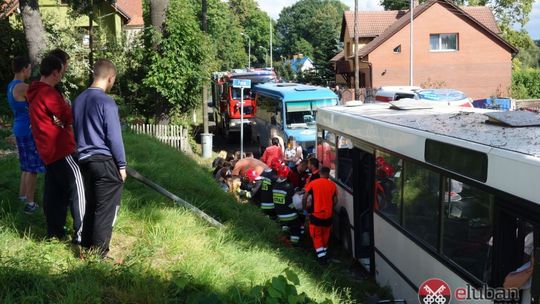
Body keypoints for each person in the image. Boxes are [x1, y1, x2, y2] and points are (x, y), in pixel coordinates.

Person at [27, 55, 85, 243]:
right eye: (62, 72)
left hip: (47, 151)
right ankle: (81, 233)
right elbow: (68, 116)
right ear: (55, 72)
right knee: (78, 186)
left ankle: (54, 232)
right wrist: (65, 107)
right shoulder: (49, 93)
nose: (62, 75)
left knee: (54, 192)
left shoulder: (34, 91)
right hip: (61, 149)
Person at [72, 59, 126, 257]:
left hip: (84, 160)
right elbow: (114, 136)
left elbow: (75, 130)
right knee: (106, 208)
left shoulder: (78, 100)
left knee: (92, 203)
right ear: (110, 78)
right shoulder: (106, 102)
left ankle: (86, 246)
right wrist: (121, 165)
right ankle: (99, 253)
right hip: (103, 160)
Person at [7, 56, 45, 214]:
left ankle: (23, 196)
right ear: (24, 69)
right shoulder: (23, 87)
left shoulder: (11, 85)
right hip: (28, 130)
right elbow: (41, 98)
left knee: (25, 166)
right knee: (32, 168)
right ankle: (30, 204)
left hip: (19, 127)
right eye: (29, 69)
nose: (30, 71)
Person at [303, 167, 338, 264]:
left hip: (316, 214)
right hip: (328, 215)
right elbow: (335, 201)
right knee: (325, 234)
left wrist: (305, 208)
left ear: (320, 174)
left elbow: (305, 197)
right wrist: (329, 207)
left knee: (316, 235)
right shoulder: (332, 185)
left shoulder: (313, 183)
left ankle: (322, 258)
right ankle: (324, 253)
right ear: (328, 174)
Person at [273, 164, 302, 245]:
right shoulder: (289, 186)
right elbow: (295, 202)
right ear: (288, 174)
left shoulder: (275, 186)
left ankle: (285, 235)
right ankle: (294, 245)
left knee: (286, 225)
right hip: (290, 215)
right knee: (297, 227)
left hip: (280, 215)